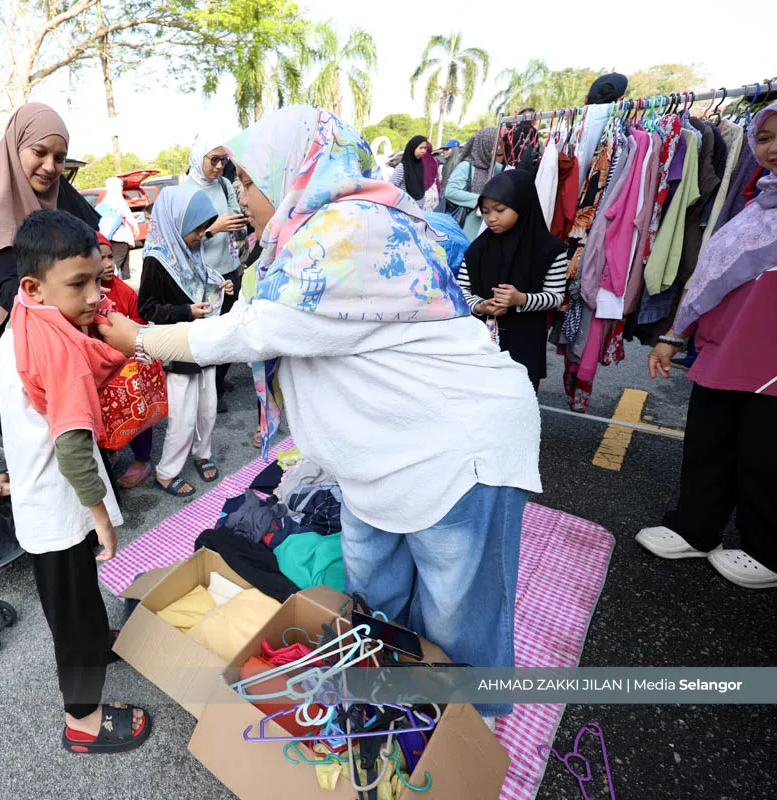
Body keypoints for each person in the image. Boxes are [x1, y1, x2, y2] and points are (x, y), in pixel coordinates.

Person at [99, 107, 541, 719]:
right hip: (383, 452)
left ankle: (466, 741)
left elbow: (251, 334)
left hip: (459, 447)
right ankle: (399, 708)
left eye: (249, 182)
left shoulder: (345, 233)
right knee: (374, 592)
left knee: (457, 618)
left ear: (292, 172)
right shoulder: (318, 231)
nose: (243, 197)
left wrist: (140, 340)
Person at [0, 209, 151, 754]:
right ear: (36, 285)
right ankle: (82, 721)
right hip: (61, 503)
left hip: (47, 498)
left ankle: (91, 645)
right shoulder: (62, 351)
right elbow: (73, 444)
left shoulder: (26, 313)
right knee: (76, 612)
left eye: (98, 281)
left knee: (75, 601)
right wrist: (102, 519)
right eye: (78, 285)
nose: (92, 298)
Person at [636, 91, 777, 590]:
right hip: (727, 345)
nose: (776, 147)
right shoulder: (758, 204)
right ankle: (696, 528)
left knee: (769, 455)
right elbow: (709, 276)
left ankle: (774, 554)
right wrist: (673, 335)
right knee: (711, 440)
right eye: (764, 137)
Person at [0, 102, 71, 409]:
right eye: (39, 152)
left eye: (59, 158)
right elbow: (10, 292)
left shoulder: (43, 202)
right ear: (15, 149)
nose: (50, 167)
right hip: (20, 351)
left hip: (51, 340)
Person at [137, 184, 227, 499]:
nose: (202, 234)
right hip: (179, 349)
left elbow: (201, 280)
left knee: (208, 409)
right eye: (198, 228)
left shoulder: (189, 249)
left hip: (203, 343)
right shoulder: (157, 259)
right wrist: (185, 311)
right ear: (177, 222)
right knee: (182, 417)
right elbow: (146, 309)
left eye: (205, 227)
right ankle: (166, 473)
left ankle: (203, 453)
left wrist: (218, 286)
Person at [457, 171, 567, 387]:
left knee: (519, 397)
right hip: (479, 341)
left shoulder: (550, 250)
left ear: (523, 206)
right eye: (486, 211)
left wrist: (521, 299)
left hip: (524, 339)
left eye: (500, 210)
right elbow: (460, 291)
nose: (491, 218)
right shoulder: (478, 248)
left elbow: (555, 297)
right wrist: (480, 306)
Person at [186, 134, 248, 407]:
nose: (220, 166)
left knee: (231, 329)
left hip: (230, 270)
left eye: (223, 159)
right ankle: (210, 393)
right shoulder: (186, 193)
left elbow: (235, 213)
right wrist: (213, 230)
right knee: (209, 335)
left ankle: (218, 381)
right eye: (214, 159)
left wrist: (240, 223)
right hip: (204, 277)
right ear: (199, 159)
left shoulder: (223, 185)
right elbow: (183, 241)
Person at [95, 232, 153, 489]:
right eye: (100, 258)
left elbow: (139, 328)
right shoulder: (85, 294)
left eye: (110, 256)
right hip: (98, 370)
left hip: (125, 368)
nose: (108, 263)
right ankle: (112, 449)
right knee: (105, 417)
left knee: (135, 414)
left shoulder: (125, 292)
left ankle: (142, 460)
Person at [446, 128, 504, 238]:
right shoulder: (465, 167)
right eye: (494, 145)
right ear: (483, 145)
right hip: (468, 224)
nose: (498, 149)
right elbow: (451, 191)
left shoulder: (493, 168)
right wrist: (481, 200)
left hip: (487, 225)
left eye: (499, 144)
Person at [97, 177, 140, 280]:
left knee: (123, 261)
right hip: (120, 236)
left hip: (110, 235)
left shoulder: (105, 199)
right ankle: (117, 282)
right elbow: (127, 214)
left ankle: (125, 281)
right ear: (115, 186)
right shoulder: (117, 198)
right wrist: (135, 226)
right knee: (117, 262)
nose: (121, 188)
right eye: (120, 185)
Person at [389, 135, 441, 211]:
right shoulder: (403, 167)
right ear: (413, 148)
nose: (423, 151)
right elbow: (391, 186)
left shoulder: (420, 166)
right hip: (403, 210)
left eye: (425, 148)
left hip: (417, 211)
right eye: (421, 148)